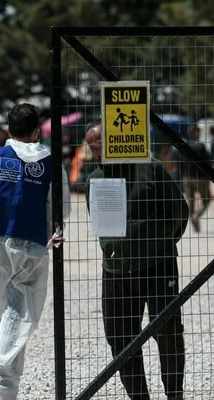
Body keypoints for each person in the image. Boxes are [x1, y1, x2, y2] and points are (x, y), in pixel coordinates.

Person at [0, 103, 70, 399]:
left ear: (8, 130)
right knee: (20, 317)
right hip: (33, 245)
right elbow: (60, 207)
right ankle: (1, 391)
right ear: (38, 130)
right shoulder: (51, 162)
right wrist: (54, 231)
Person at [85, 123, 188, 400]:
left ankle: (174, 393)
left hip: (158, 265)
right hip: (116, 271)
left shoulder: (150, 169)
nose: (97, 152)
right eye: (92, 147)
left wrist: (161, 244)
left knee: (167, 329)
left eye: (101, 144)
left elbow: (178, 210)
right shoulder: (94, 180)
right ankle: (139, 397)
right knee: (120, 337)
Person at [170, 125, 210, 233]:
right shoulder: (201, 146)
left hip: (187, 177)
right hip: (200, 178)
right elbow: (208, 162)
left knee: (190, 201)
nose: (199, 134)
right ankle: (197, 215)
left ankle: (195, 226)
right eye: (198, 132)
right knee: (207, 199)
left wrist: (181, 177)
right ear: (193, 133)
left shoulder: (183, 146)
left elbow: (178, 163)